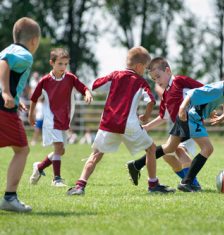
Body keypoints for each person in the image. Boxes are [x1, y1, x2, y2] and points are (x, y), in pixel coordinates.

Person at [67, 46, 175, 195]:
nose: (145, 71)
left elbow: (95, 85)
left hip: (108, 124)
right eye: (145, 68)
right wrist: (146, 116)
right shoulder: (141, 82)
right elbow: (151, 100)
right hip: (129, 125)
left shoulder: (115, 75)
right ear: (138, 66)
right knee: (151, 149)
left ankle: (80, 186)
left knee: (96, 153)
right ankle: (153, 185)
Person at [126, 57, 203, 187]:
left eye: (158, 77)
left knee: (178, 150)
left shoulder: (179, 81)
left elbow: (204, 89)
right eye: (154, 79)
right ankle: (137, 165)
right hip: (181, 126)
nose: (157, 81)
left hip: (191, 122)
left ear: (168, 71)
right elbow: (163, 117)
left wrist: (209, 107)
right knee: (168, 155)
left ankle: (191, 183)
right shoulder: (166, 94)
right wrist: (146, 127)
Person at [177, 67, 224, 192]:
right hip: (192, 118)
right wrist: (182, 108)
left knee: (168, 147)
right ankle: (186, 182)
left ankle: (139, 163)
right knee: (207, 148)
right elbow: (193, 92)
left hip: (195, 119)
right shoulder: (217, 88)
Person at [29, 48, 93, 187]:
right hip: (50, 120)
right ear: (51, 63)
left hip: (64, 120)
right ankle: (56, 179)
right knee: (58, 147)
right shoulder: (45, 80)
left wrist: (87, 94)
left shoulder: (70, 78)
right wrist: (30, 115)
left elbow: (84, 88)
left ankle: (39, 167)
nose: (63, 67)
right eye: (60, 64)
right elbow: (33, 99)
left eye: (65, 64)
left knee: (61, 151)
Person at [0, 17, 41, 212]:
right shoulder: (24, 55)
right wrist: (7, 93)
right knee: (22, 150)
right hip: (3, 110)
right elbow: (5, 64)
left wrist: (15, 100)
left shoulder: (6, 49)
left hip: (7, 106)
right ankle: (9, 197)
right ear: (34, 41)